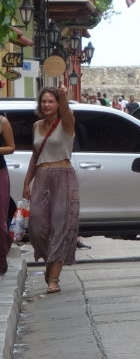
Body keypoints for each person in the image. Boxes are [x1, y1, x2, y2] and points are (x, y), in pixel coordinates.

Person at [26, 87, 77, 295]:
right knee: (37, 228)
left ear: (57, 104)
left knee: (60, 226)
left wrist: (63, 96)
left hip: (63, 177)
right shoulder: (37, 125)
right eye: (43, 101)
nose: (46, 105)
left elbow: (66, 112)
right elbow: (35, 155)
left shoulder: (67, 124)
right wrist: (26, 183)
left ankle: (53, 278)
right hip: (41, 177)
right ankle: (51, 263)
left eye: (51, 101)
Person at [0, 112, 14, 274]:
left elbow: (11, 147)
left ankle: (1, 260)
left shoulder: (2, 121)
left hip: (0, 172)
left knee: (0, 219)